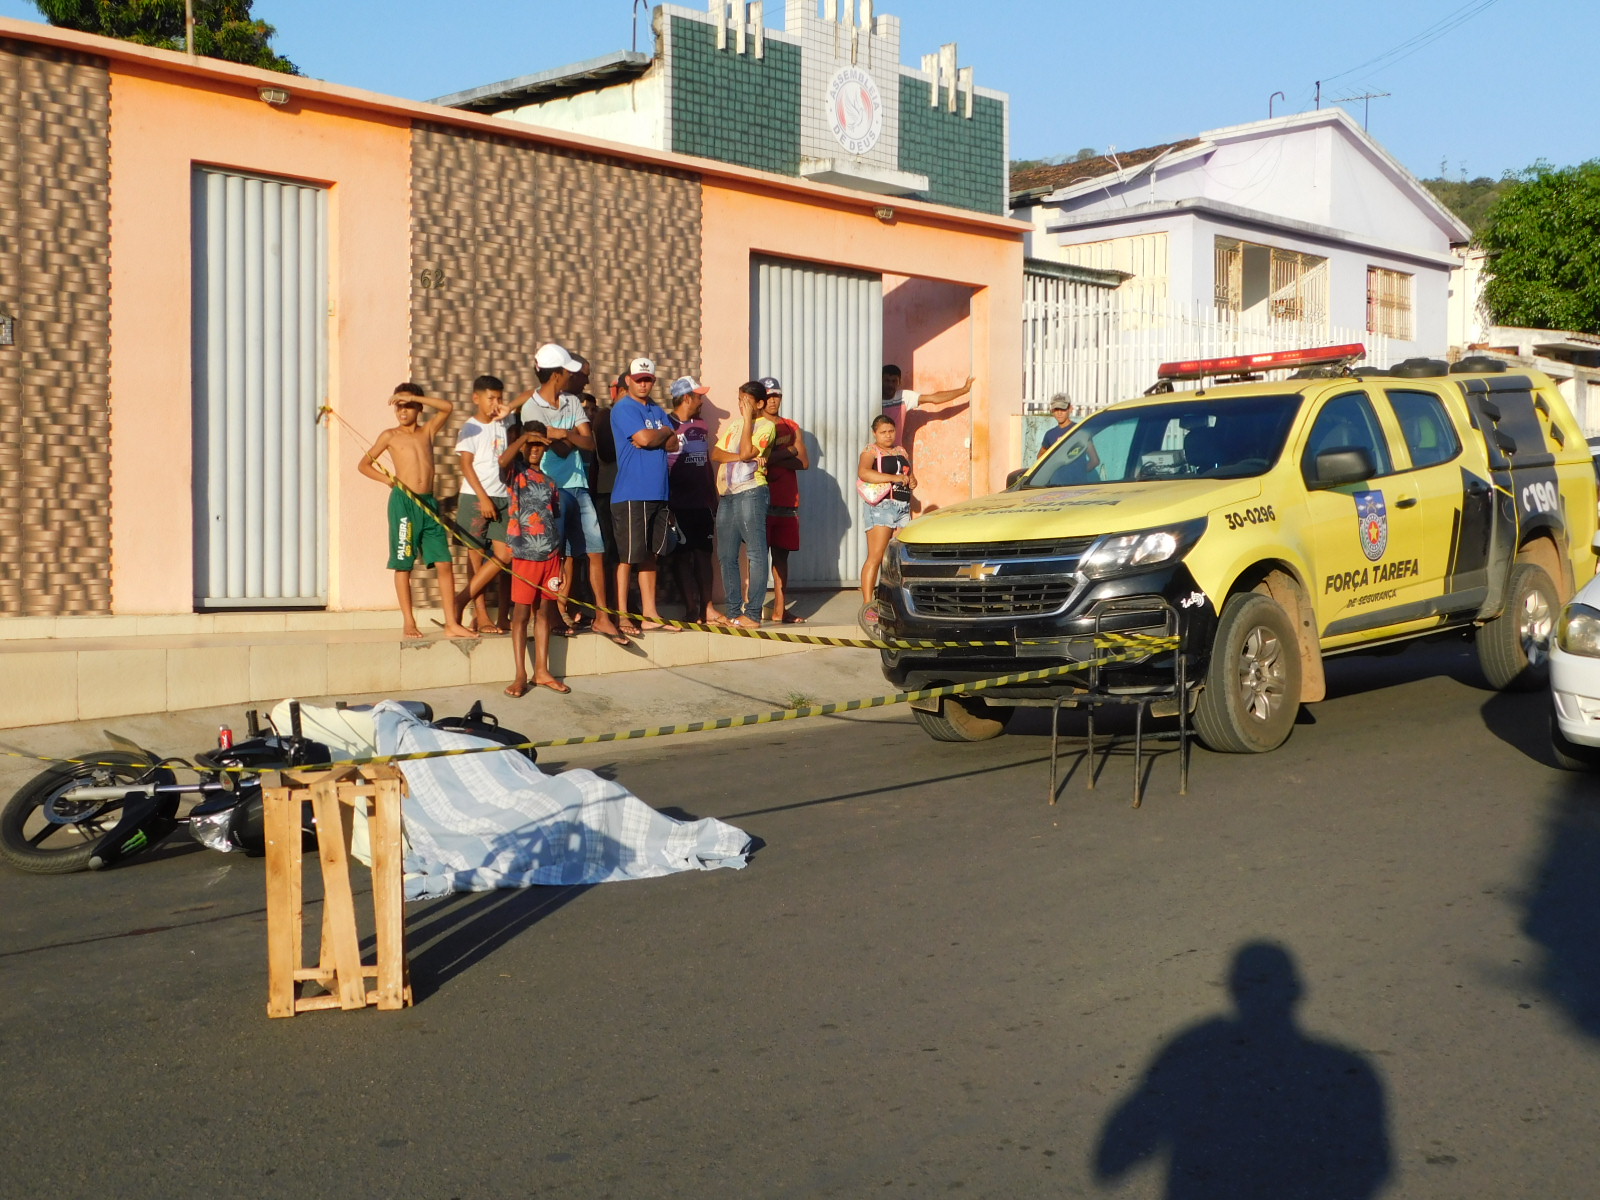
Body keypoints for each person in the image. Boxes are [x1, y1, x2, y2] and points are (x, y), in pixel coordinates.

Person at [514, 344, 628, 647]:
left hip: (578, 485)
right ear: (557, 374)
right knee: (555, 556)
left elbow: (588, 443)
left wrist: (563, 434)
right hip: (547, 489)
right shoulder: (531, 407)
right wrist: (568, 438)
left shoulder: (572, 401)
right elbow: (544, 446)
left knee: (595, 550)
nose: (572, 376)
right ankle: (551, 614)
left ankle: (603, 617)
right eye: (567, 371)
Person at [357, 384, 473, 641]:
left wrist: (413, 396)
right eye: (399, 405)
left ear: (419, 407)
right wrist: (388, 481)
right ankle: (408, 621)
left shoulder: (427, 431)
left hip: (429, 503)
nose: (403, 410)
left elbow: (448, 408)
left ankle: (452, 622)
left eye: (408, 405)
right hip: (404, 503)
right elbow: (363, 465)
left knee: (444, 562)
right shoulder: (389, 435)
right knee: (404, 563)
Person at [498, 421, 570, 697]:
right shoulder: (515, 474)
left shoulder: (550, 482)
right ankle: (520, 674)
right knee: (520, 614)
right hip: (525, 555)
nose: (534, 450)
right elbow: (503, 460)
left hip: (550, 555)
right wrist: (524, 437)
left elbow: (555, 521)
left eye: (540, 445)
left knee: (544, 613)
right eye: (530, 444)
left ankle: (542, 670)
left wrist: (560, 560)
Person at [608, 357, 680, 634]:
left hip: (659, 491)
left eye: (648, 379)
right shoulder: (623, 408)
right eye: (639, 379)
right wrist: (663, 431)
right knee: (627, 556)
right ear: (629, 380)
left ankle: (650, 614)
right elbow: (645, 439)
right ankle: (623, 615)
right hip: (631, 493)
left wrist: (660, 434)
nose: (643, 383)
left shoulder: (657, 409)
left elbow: (673, 444)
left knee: (651, 555)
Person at [711, 380, 775, 629]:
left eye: (746, 402)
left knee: (756, 553)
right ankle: (734, 610)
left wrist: (749, 419)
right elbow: (717, 454)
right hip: (727, 494)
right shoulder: (734, 425)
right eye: (739, 401)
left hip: (752, 492)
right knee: (726, 555)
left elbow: (750, 449)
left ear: (759, 403)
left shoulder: (767, 426)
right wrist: (741, 456)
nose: (741, 406)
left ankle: (754, 613)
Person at [453, 374, 513, 635]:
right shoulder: (470, 427)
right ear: (476, 398)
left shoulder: (505, 421)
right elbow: (465, 464)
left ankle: (463, 599)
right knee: (475, 559)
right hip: (476, 497)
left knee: (505, 556)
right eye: (491, 398)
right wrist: (483, 498)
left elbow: (526, 397)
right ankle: (480, 616)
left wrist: (508, 408)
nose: (495, 403)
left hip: (503, 497)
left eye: (499, 398)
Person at [666, 376, 718, 625]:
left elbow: (705, 462)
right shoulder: (666, 424)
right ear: (686, 397)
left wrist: (714, 496)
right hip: (677, 503)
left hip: (702, 502)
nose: (701, 400)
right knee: (681, 557)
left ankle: (706, 608)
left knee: (703, 555)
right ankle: (690, 608)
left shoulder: (702, 426)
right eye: (698, 396)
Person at [760, 376, 809, 624]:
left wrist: (772, 457)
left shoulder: (791, 425)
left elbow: (804, 461)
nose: (773, 400)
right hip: (760, 501)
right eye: (768, 396)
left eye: (776, 395)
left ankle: (780, 609)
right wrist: (788, 451)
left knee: (781, 558)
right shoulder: (755, 425)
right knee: (757, 557)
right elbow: (755, 457)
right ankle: (752, 608)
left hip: (788, 501)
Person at [858, 414, 914, 622]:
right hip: (882, 506)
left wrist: (912, 480)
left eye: (891, 431)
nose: (888, 435)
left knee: (897, 557)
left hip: (902, 506)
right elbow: (864, 473)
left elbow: (908, 474)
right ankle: (867, 605)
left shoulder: (901, 451)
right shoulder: (871, 450)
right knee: (876, 555)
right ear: (875, 433)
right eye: (883, 432)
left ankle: (893, 602)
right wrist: (893, 478)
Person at [881, 363, 974, 443]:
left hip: (896, 453)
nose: (890, 385)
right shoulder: (872, 399)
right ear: (880, 381)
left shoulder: (903, 396)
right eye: (887, 381)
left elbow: (934, 398)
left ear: (899, 382)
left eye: (894, 381)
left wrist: (964, 389)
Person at [1037, 392, 1078, 458]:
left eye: (1062, 409)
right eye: (1056, 409)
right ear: (1052, 411)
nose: (1059, 413)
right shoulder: (1050, 435)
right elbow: (1040, 458)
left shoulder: (1078, 430)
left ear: (1070, 409)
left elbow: (1094, 460)